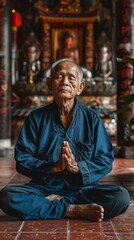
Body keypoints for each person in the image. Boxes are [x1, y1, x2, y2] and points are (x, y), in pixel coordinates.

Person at [0, 58, 130, 221]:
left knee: (121, 197)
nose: (64, 82)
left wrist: (78, 167)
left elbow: (105, 159)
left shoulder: (92, 119)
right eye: (59, 76)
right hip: (44, 188)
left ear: (80, 87)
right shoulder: (35, 119)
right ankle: (73, 209)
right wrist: (52, 167)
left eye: (71, 78)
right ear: (49, 83)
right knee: (7, 196)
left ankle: (53, 205)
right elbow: (22, 160)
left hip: (82, 189)